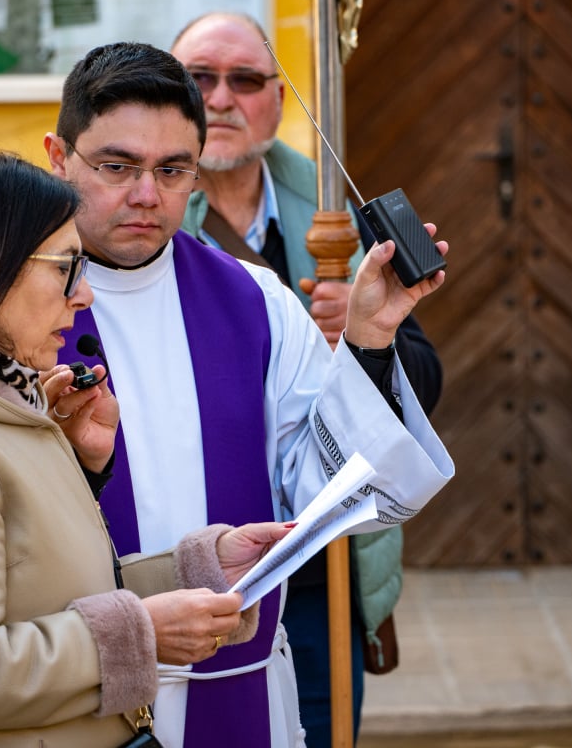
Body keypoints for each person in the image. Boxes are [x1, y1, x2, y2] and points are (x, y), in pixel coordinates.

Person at [45, 42, 455, 748]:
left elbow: (323, 498)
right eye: (116, 167)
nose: (146, 194)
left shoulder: (254, 300)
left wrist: (368, 340)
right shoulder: (9, 300)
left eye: (173, 170)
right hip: (72, 690)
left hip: (236, 683)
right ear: (58, 156)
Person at [0, 148, 293, 748]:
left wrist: (195, 569)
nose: (85, 295)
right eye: (67, 266)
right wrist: (143, 630)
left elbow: (39, 591)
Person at [170, 11, 445, 746]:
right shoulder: (144, 220)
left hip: (319, 559)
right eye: (198, 79)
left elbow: (423, 381)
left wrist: (362, 341)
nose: (220, 99)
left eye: (245, 80)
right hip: (195, 561)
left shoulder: (334, 216)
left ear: (278, 100)